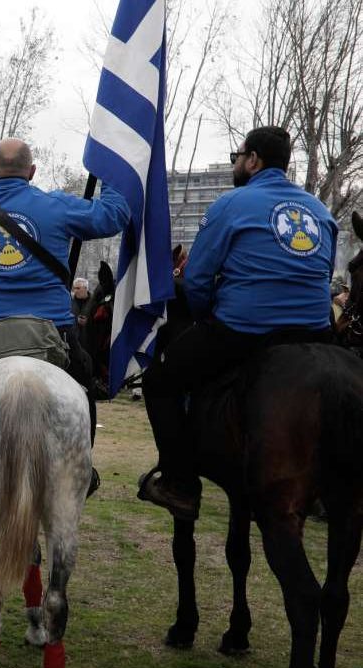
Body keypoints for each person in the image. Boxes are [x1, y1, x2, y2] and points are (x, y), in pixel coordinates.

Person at [138, 126, 337, 520]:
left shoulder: (231, 204)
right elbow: (324, 276)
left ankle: (180, 483)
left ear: (254, 160)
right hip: (316, 334)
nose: (235, 164)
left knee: (158, 381)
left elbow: (195, 280)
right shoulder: (321, 211)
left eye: (237, 156)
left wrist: (203, 315)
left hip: (245, 330)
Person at [0, 138, 130, 497]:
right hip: (53, 330)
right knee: (84, 378)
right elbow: (112, 216)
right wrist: (111, 174)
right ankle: (83, 466)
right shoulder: (56, 205)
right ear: (32, 172)